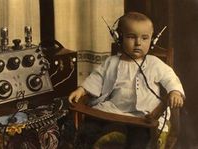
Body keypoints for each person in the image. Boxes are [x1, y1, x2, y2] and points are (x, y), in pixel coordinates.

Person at [68, 12, 185, 148]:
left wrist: (175, 92)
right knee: (92, 127)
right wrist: (82, 89)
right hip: (114, 110)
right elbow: (97, 77)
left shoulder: (154, 63)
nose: (138, 43)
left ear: (152, 40)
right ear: (119, 38)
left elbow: (169, 77)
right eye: (131, 37)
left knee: (139, 139)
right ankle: (109, 138)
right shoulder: (112, 62)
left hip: (143, 115)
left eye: (145, 38)